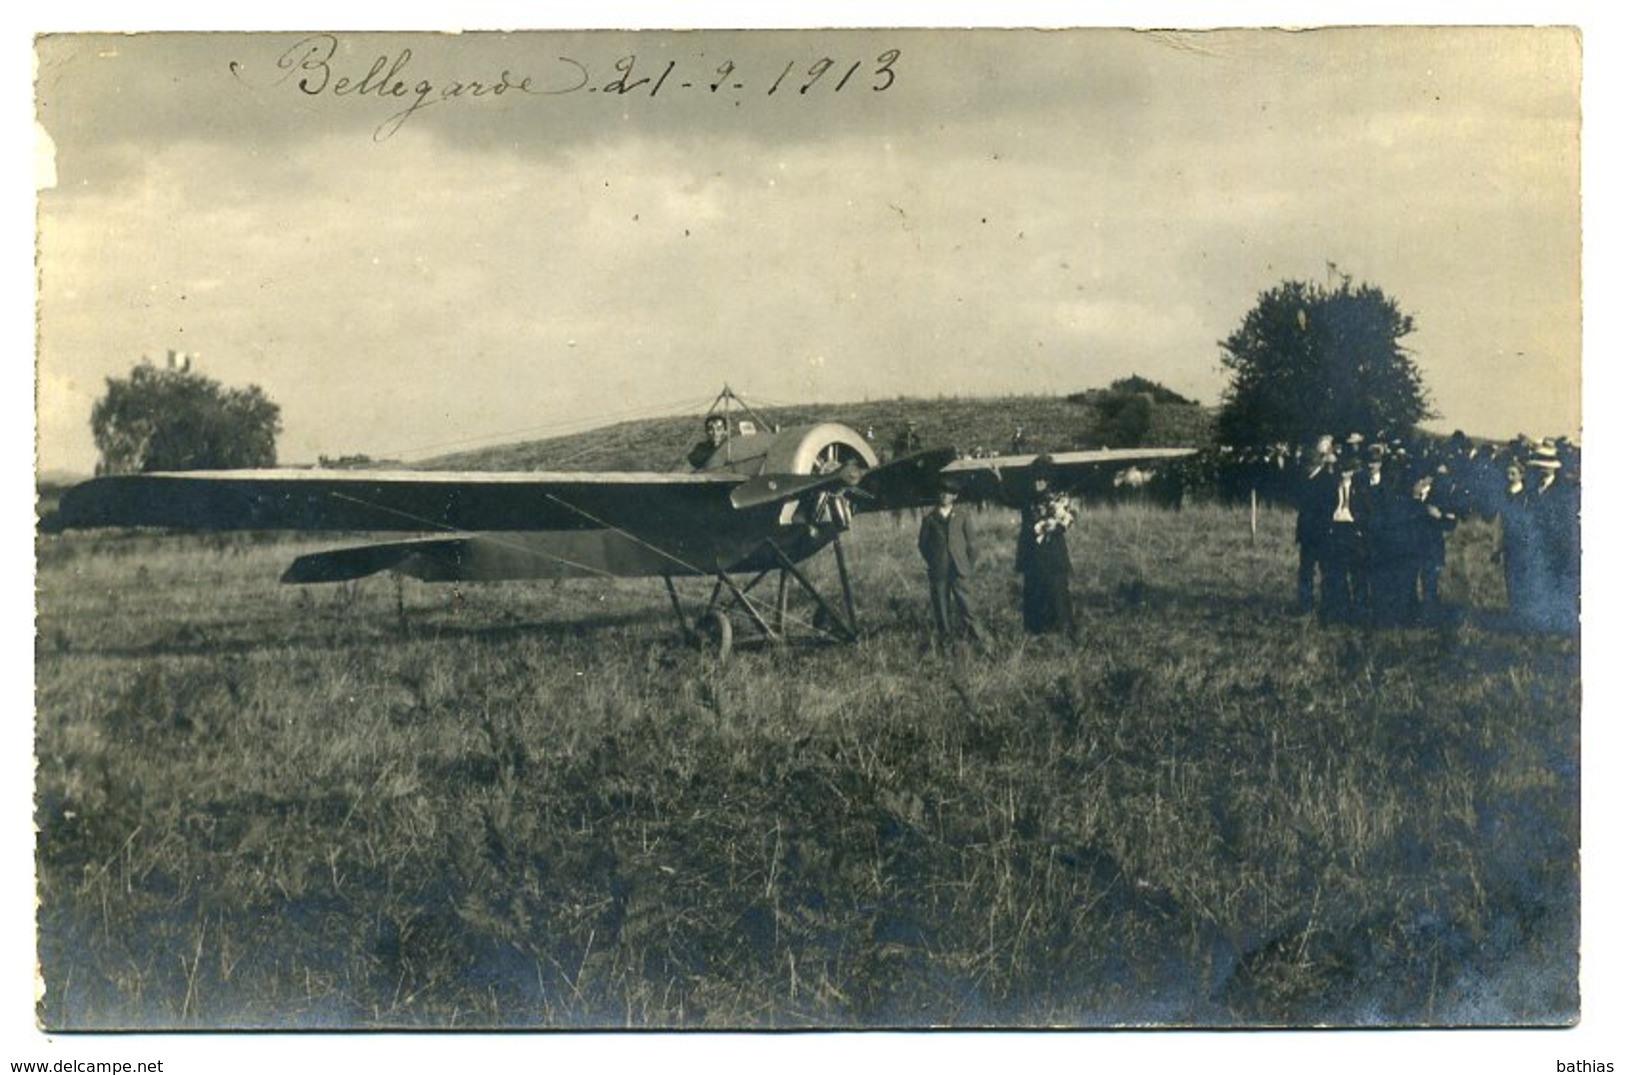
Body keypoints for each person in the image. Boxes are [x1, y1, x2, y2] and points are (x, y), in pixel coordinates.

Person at [917, 479, 984, 647]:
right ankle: (946, 642)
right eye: (942, 492)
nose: (944, 495)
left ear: (955, 496)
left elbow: (973, 544)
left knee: (968, 605)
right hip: (939, 570)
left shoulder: (962, 516)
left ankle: (978, 638)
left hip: (960, 569)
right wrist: (934, 561)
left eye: (949, 493)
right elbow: (922, 545)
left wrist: (967, 565)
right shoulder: (929, 518)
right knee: (941, 607)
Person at [1014, 459, 1077, 637]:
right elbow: (1007, 497)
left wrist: (1055, 527)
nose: (1038, 483)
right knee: (1033, 592)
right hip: (1032, 556)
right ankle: (1035, 632)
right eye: (1035, 479)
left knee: (1058, 593)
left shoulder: (1058, 499)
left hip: (1054, 554)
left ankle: (1066, 632)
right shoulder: (1026, 499)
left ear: (1048, 480)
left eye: (1042, 479)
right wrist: (997, 478)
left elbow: (1067, 521)